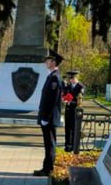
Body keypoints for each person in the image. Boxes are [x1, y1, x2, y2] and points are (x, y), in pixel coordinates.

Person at [34, 49, 64, 177]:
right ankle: (46, 167)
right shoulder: (51, 76)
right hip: (48, 117)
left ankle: (48, 169)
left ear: (53, 62)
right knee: (48, 143)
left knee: (50, 144)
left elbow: (52, 101)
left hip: (50, 118)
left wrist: (46, 117)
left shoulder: (55, 79)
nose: (46, 62)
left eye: (48, 60)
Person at [62, 70, 84, 152]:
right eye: (70, 78)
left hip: (76, 111)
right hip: (68, 110)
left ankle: (74, 145)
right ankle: (68, 145)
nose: (70, 80)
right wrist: (64, 99)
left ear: (76, 78)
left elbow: (80, 100)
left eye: (72, 78)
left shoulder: (80, 87)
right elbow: (64, 95)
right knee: (67, 128)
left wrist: (71, 102)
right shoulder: (68, 86)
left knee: (75, 128)